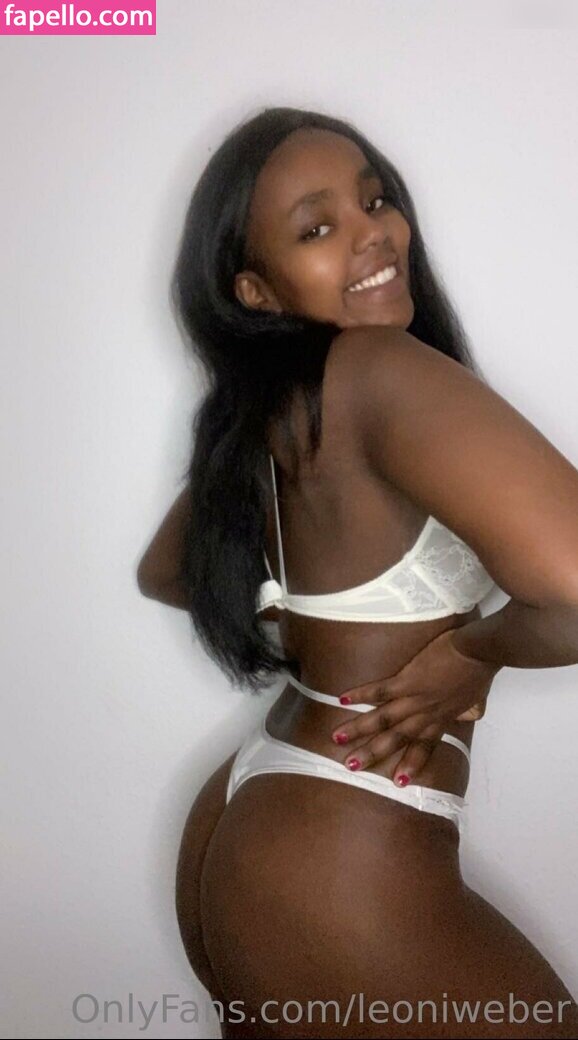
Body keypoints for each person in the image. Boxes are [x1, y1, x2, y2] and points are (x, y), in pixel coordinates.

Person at [137, 107, 578, 1038]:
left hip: (255, 819)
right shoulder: (377, 369)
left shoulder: (270, 412)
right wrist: (475, 652)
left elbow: (172, 572)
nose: (372, 231)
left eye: (375, 201)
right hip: (334, 852)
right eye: (317, 227)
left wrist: (316, 626)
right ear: (256, 291)